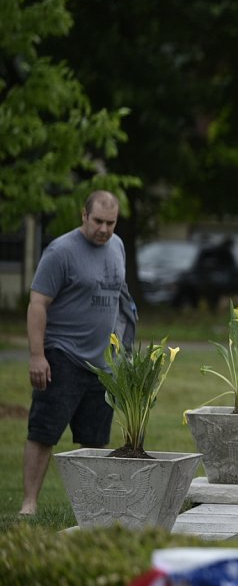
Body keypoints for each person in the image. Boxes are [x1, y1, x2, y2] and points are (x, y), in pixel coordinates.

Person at [20, 190, 137, 516]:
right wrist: (37, 355)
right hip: (63, 356)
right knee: (44, 432)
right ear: (84, 216)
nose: (104, 229)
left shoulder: (117, 246)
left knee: (95, 442)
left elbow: (119, 299)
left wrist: (123, 347)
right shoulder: (61, 251)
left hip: (103, 364)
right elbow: (38, 304)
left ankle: (91, 507)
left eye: (110, 223)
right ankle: (29, 503)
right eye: (98, 221)